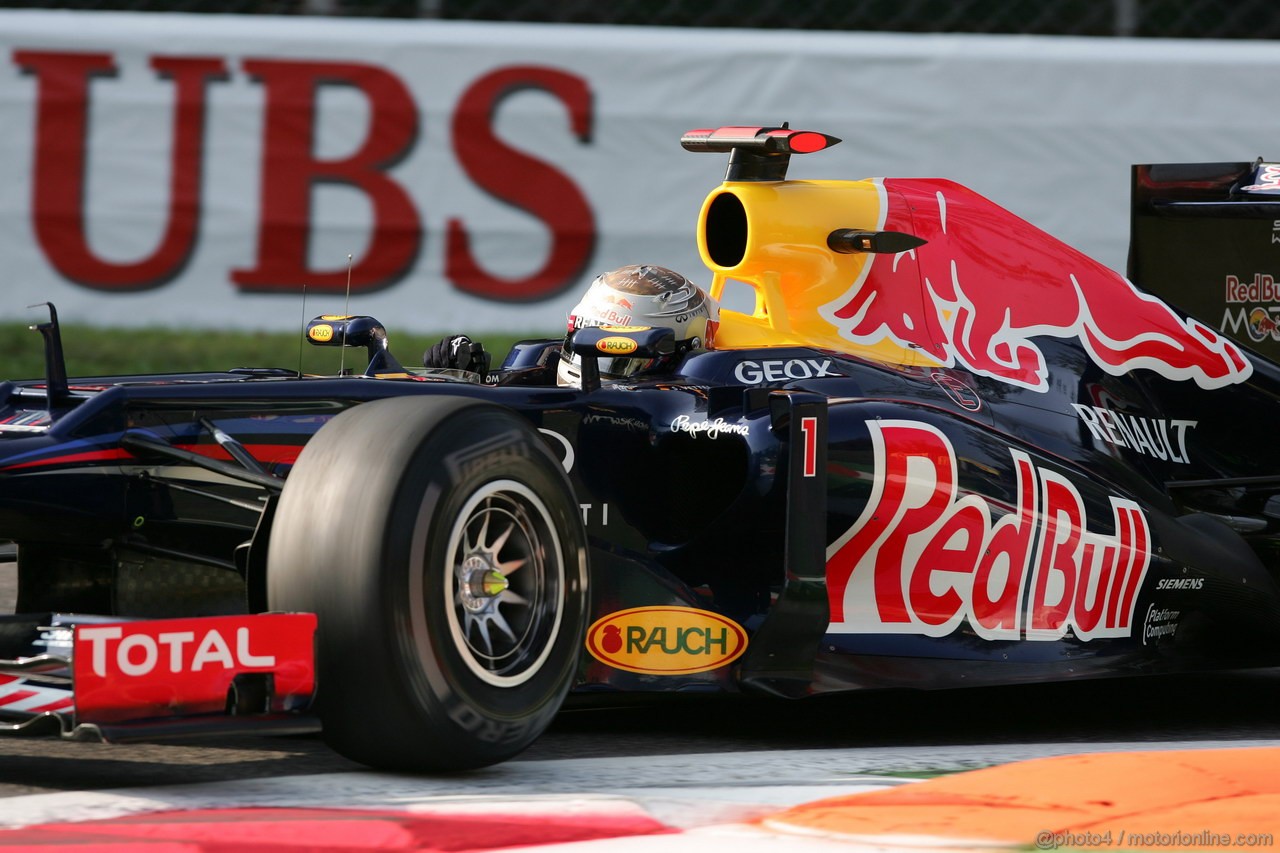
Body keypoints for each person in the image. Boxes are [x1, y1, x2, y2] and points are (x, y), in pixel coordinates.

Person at [423, 265, 719, 387]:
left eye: (619, 353)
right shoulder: (539, 367)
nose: (588, 362)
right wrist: (461, 382)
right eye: (586, 339)